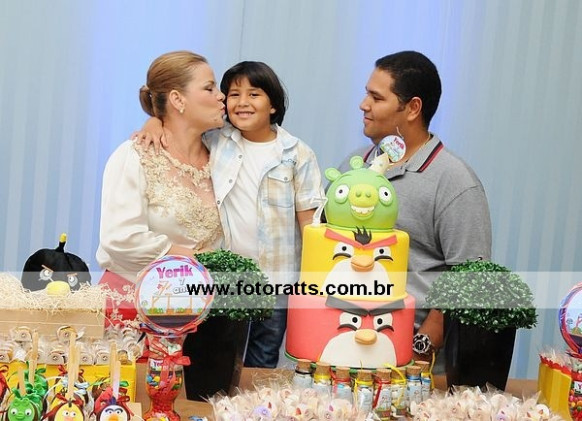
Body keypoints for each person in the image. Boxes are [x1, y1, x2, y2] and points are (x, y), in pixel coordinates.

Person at [137, 61, 325, 368]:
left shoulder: (297, 154)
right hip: (228, 278)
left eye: (254, 94)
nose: (242, 102)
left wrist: (314, 284)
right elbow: (177, 124)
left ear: (273, 105)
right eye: (234, 94)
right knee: (220, 352)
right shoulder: (217, 139)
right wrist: (154, 123)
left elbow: (310, 224)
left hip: (278, 280)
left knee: (263, 355)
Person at [339, 51, 492, 365]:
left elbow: (468, 278)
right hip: (342, 343)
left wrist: (419, 353)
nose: (363, 105)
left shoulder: (454, 181)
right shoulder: (354, 167)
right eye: (366, 94)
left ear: (412, 108)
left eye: (376, 97)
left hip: (409, 361)